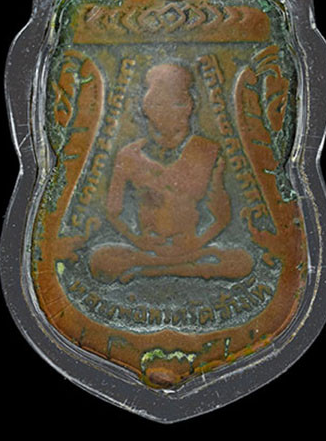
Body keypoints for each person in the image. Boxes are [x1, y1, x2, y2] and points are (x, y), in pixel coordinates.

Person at [90, 63, 252, 282]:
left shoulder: (207, 151)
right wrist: (139, 242)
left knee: (241, 262)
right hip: (147, 249)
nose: (167, 112)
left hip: (192, 249)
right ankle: (180, 270)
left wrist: (197, 243)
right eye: (158, 104)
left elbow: (222, 217)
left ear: (190, 106)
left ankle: (152, 271)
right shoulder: (128, 156)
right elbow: (113, 212)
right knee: (100, 260)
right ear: (145, 108)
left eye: (177, 103)